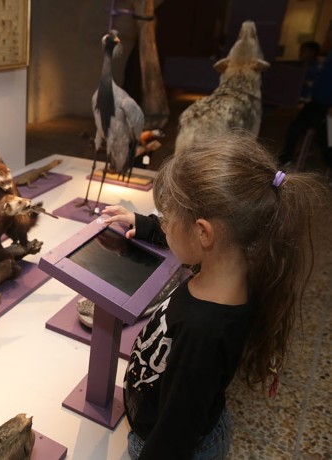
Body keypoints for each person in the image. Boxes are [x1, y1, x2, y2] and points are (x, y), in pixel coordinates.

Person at [103, 133, 329, 459]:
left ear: (203, 233)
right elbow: (186, 238)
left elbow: (174, 438)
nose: (163, 225)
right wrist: (146, 225)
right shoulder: (235, 266)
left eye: (166, 219)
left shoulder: (202, 330)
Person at [279, 35, 332, 167]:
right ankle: (286, 159)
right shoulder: (328, 57)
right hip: (316, 103)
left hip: (326, 106)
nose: (327, 35)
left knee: (326, 141)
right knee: (295, 129)